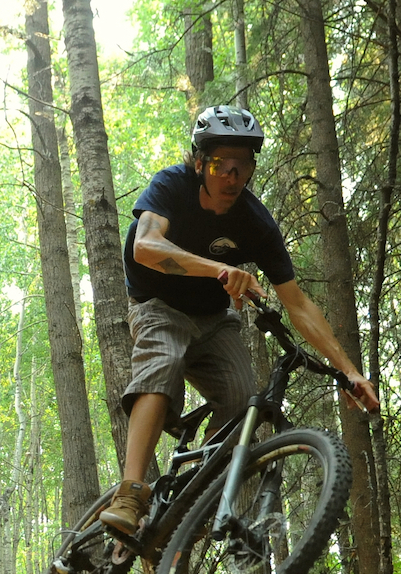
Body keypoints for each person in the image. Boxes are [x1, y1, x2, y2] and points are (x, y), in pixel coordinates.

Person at [98, 105, 380, 536]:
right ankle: (130, 493)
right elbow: (146, 246)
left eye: (242, 167)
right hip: (157, 304)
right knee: (163, 360)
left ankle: (192, 500)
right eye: (219, 165)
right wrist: (220, 270)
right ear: (199, 163)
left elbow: (298, 304)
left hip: (214, 319)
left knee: (243, 401)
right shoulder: (171, 185)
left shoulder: (254, 221)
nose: (231, 177)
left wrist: (349, 371)